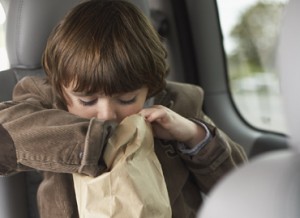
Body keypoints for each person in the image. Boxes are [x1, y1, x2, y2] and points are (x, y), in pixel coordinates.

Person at [0, 0, 247, 217]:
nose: (107, 114)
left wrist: (194, 136)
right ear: (61, 88)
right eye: (87, 101)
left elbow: (241, 187)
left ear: (150, 88)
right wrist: (94, 143)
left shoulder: (177, 105)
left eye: (127, 99)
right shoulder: (44, 101)